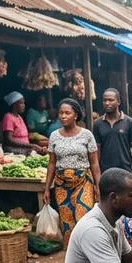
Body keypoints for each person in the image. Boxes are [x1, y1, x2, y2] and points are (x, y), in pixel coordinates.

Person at [44, 98, 100, 247]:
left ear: (76, 115)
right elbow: (51, 163)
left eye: (67, 113)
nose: (63, 116)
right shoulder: (54, 136)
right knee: (67, 222)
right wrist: (47, 188)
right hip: (61, 184)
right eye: (61, 113)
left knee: (83, 219)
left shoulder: (87, 135)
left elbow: (94, 163)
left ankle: (88, 252)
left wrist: (98, 186)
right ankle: (72, 256)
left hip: (83, 182)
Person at [93, 88, 132, 176]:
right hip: (105, 171)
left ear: (118, 102)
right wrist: (96, 169)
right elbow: (97, 148)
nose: (107, 103)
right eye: (105, 100)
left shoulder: (129, 122)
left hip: (125, 169)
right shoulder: (97, 123)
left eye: (111, 100)